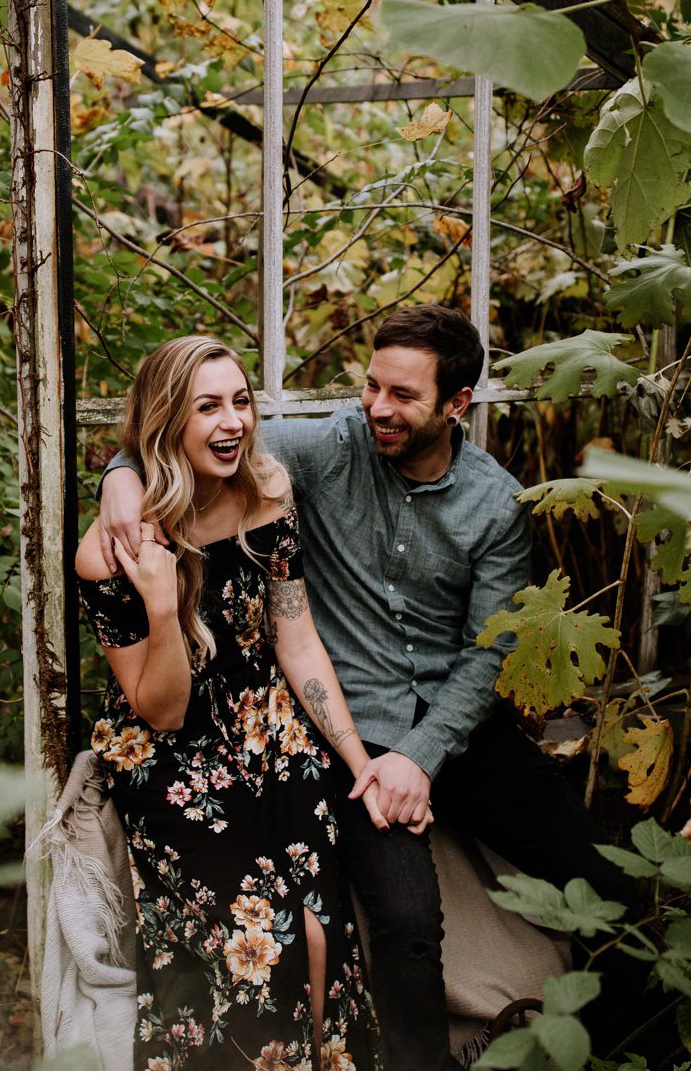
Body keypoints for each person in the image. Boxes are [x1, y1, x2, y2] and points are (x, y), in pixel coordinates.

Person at [100, 305, 636, 1069]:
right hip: (357, 725)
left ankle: (620, 1054)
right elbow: (192, 436)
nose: (379, 408)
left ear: (457, 404)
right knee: (408, 922)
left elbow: (490, 654)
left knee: (610, 883)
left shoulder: (495, 504)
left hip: (458, 726)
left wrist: (422, 757)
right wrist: (119, 478)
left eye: (404, 395)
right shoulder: (330, 448)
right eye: (372, 386)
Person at [73, 335, 388, 1070]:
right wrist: (161, 605)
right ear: (167, 420)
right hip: (173, 762)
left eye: (241, 402)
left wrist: (358, 762)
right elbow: (161, 711)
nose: (233, 422)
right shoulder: (110, 550)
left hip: (271, 734)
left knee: (321, 932)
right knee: (265, 947)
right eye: (207, 407)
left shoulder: (266, 490)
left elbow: (296, 639)